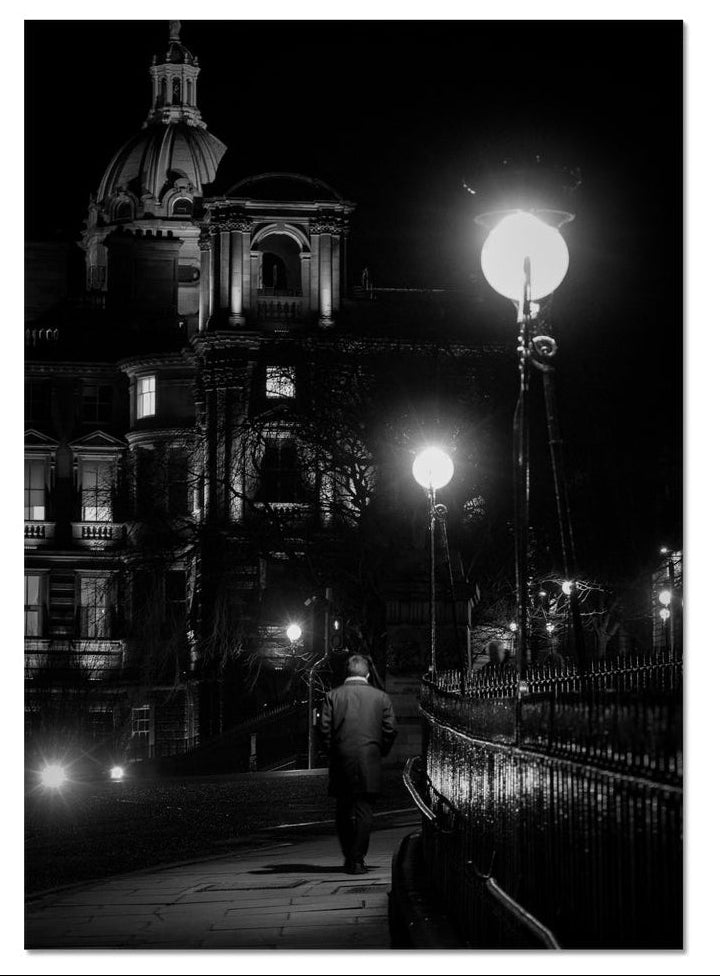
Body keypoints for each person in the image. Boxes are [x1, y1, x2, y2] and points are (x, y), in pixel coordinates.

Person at [320, 654, 397, 875]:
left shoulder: (332, 696)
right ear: (367, 673)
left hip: (342, 759)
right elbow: (390, 729)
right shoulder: (380, 697)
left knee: (343, 810)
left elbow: (324, 730)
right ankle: (357, 858)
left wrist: (333, 752)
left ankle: (348, 856)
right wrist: (379, 750)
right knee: (365, 810)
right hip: (369, 759)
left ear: (348, 672)